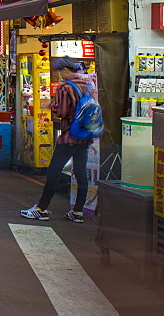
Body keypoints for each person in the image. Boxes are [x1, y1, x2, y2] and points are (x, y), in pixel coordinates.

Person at [21, 57, 93, 223]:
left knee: (54, 171)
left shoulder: (65, 87)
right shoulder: (85, 85)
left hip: (68, 136)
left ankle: (41, 208)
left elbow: (60, 112)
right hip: (84, 136)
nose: (59, 74)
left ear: (66, 70)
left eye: (60, 71)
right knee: (81, 173)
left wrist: (50, 105)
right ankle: (77, 211)